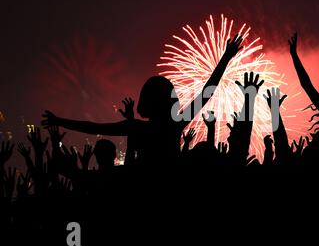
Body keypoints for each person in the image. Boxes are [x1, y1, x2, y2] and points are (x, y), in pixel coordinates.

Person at [41, 35, 244, 168]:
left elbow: (93, 127)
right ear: (168, 101)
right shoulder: (175, 125)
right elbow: (207, 92)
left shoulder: (137, 128)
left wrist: (60, 121)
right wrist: (226, 57)